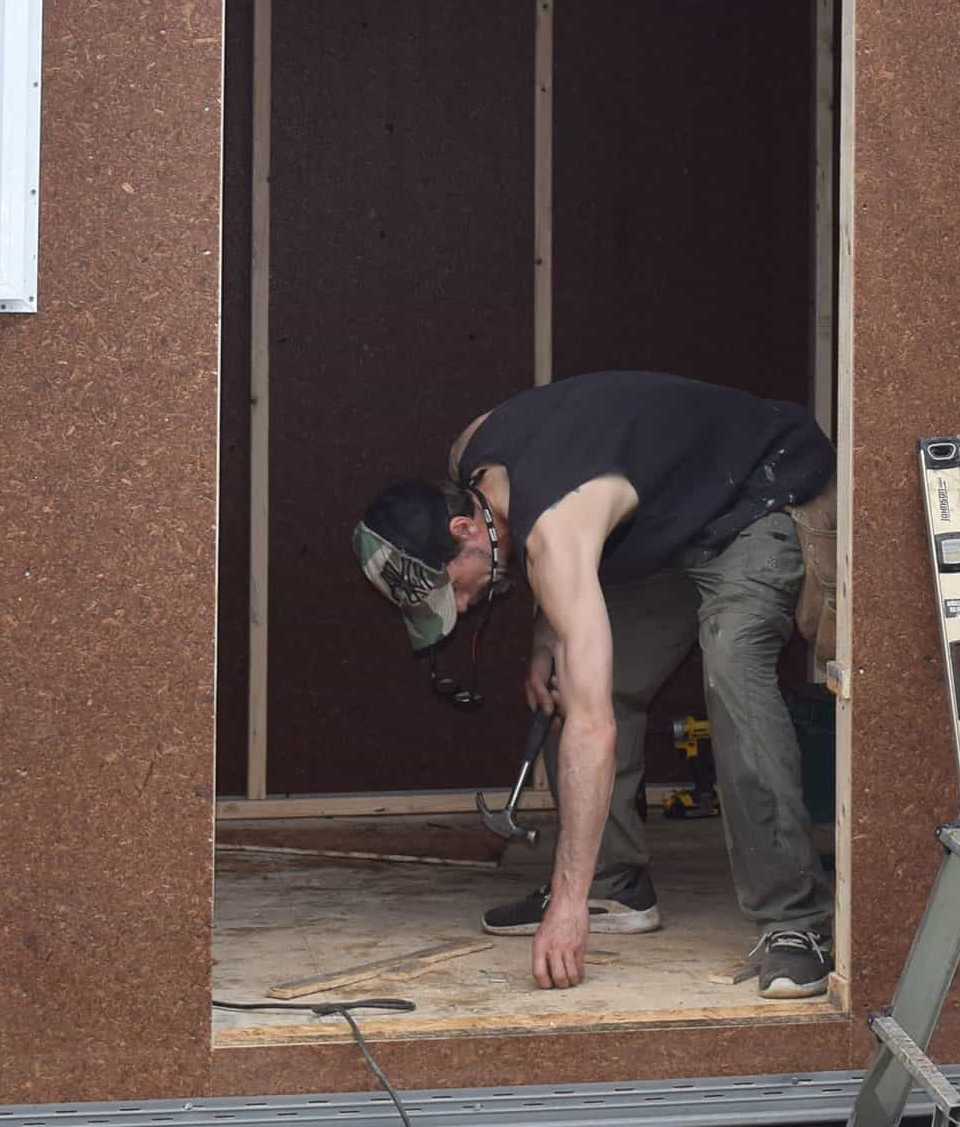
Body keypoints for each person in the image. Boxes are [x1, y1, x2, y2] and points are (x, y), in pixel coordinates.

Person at [355, 371, 835, 1001]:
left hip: (763, 488)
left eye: (455, 587)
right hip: (672, 528)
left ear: (464, 530)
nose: (464, 607)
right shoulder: (472, 454)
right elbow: (536, 531)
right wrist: (544, 635)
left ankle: (797, 922)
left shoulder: (559, 525)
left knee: (733, 669)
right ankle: (616, 886)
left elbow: (592, 727)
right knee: (574, 679)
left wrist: (565, 905)